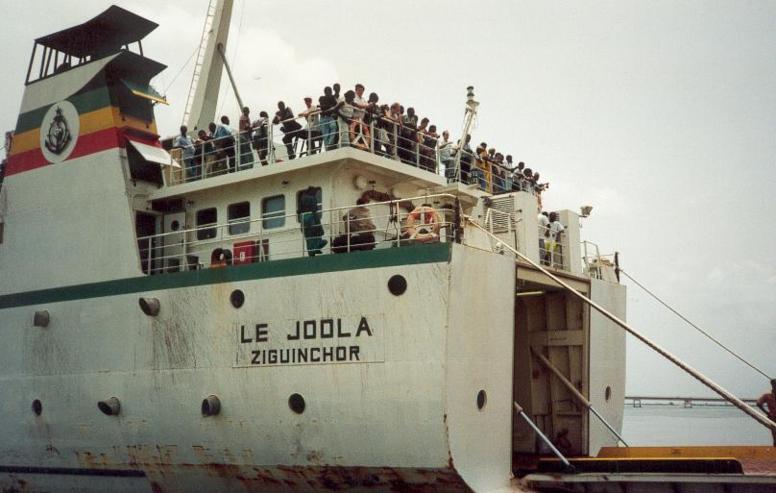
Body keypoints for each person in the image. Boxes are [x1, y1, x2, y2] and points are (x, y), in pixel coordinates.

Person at [298, 186, 327, 256]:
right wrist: (320, 228)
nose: (315, 194)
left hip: (303, 218)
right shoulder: (312, 198)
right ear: (312, 191)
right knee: (317, 234)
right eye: (315, 192)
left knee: (308, 238)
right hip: (312, 217)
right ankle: (317, 247)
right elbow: (314, 209)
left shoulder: (302, 198)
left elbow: (299, 210)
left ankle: (311, 252)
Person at [757, 379, 776, 446]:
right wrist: (767, 413)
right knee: (775, 436)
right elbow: (758, 403)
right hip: (773, 418)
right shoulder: (767, 396)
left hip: (772, 417)